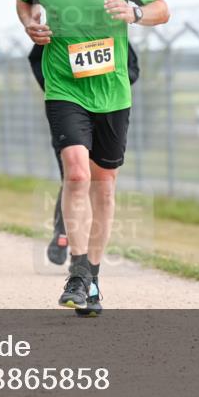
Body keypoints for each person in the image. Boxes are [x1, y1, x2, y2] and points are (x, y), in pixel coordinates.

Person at [16, 0, 169, 315]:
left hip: (113, 92)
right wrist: (31, 24)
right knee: (77, 173)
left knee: (104, 185)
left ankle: (93, 277)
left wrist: (134, 13)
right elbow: (24, 0)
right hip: (64, 86)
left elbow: (162, 9)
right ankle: (79, 271)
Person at [29, 41, 140, 266]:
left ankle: (87, 262)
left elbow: (132, 68)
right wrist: (57, 84)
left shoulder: (109, 24)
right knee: (76, 176)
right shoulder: (61, 22)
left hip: (106, 105)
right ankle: (68, 244)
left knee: (98, 183)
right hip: (68, 103)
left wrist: (108, 82)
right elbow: (36, 58)